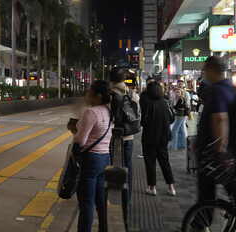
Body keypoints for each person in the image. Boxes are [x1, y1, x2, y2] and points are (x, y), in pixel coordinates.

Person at [195, 56, 236, 221]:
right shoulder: (230, 87)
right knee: (227, 188)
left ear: (212, 69)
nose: (204, 73)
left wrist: (219, 150)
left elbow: (220, 118)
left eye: (205, 69)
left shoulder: (217, 90)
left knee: (207, 190)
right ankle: (201, 222)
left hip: (213, 153)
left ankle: (200, 223)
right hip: (226, 151)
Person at [74, 80, 113, 232]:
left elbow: (81, 140)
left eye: (89, 91)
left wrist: (75, 133)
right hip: (105, 158)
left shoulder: (91, 112)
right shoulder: (109, 111)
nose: (87, 94)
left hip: (91, 159)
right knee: (100, 200)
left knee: (86, 202)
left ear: (97, 95)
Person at [140, 81, 176, 196]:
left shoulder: (147, 103)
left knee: (150, 163)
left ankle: (152, 187)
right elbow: (171, 119)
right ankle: (171, 187)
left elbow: (143, 122)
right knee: (165, 162)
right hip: (163, 137)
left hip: (149, 137)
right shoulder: (165, 102)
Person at [109, 68, 139, 206]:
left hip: (112, 137)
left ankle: (111, 198)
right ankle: (127, 198)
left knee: (110, 166)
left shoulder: (109, 94)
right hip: (129, 136)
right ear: (124, 78)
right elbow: (138, 115)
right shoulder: (133, 94)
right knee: (128, 166)